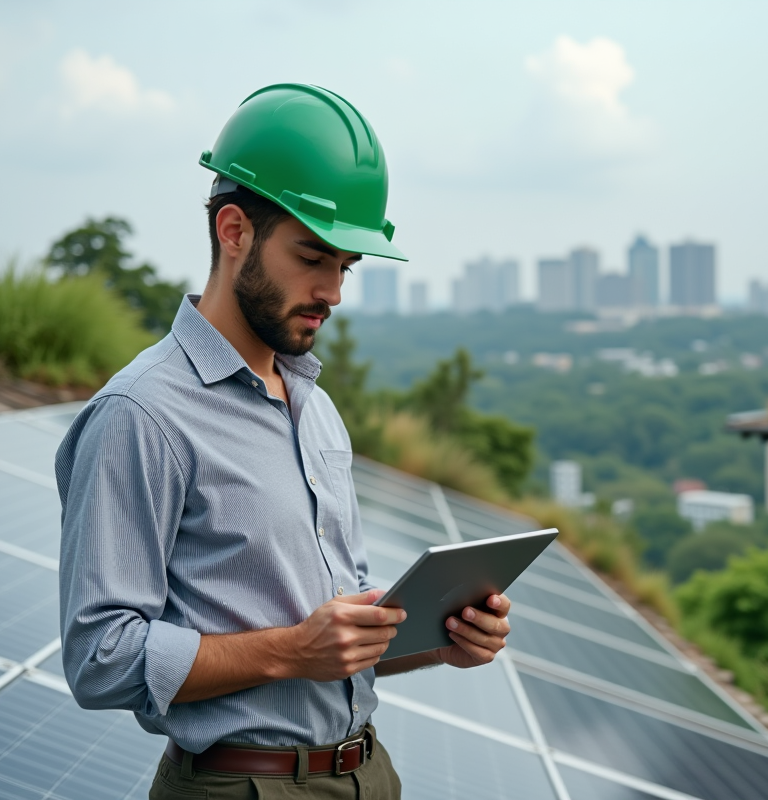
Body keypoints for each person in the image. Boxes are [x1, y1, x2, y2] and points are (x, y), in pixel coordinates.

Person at [55, 84, 511, 800]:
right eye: (313, 257)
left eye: (345, 268)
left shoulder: (317, 409)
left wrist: (438, 640)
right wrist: (290, 651)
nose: (333, 290)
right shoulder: (140, 415)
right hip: (243, 787)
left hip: (369, 773)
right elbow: (99, 659)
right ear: (234, 231)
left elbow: (334, 641)